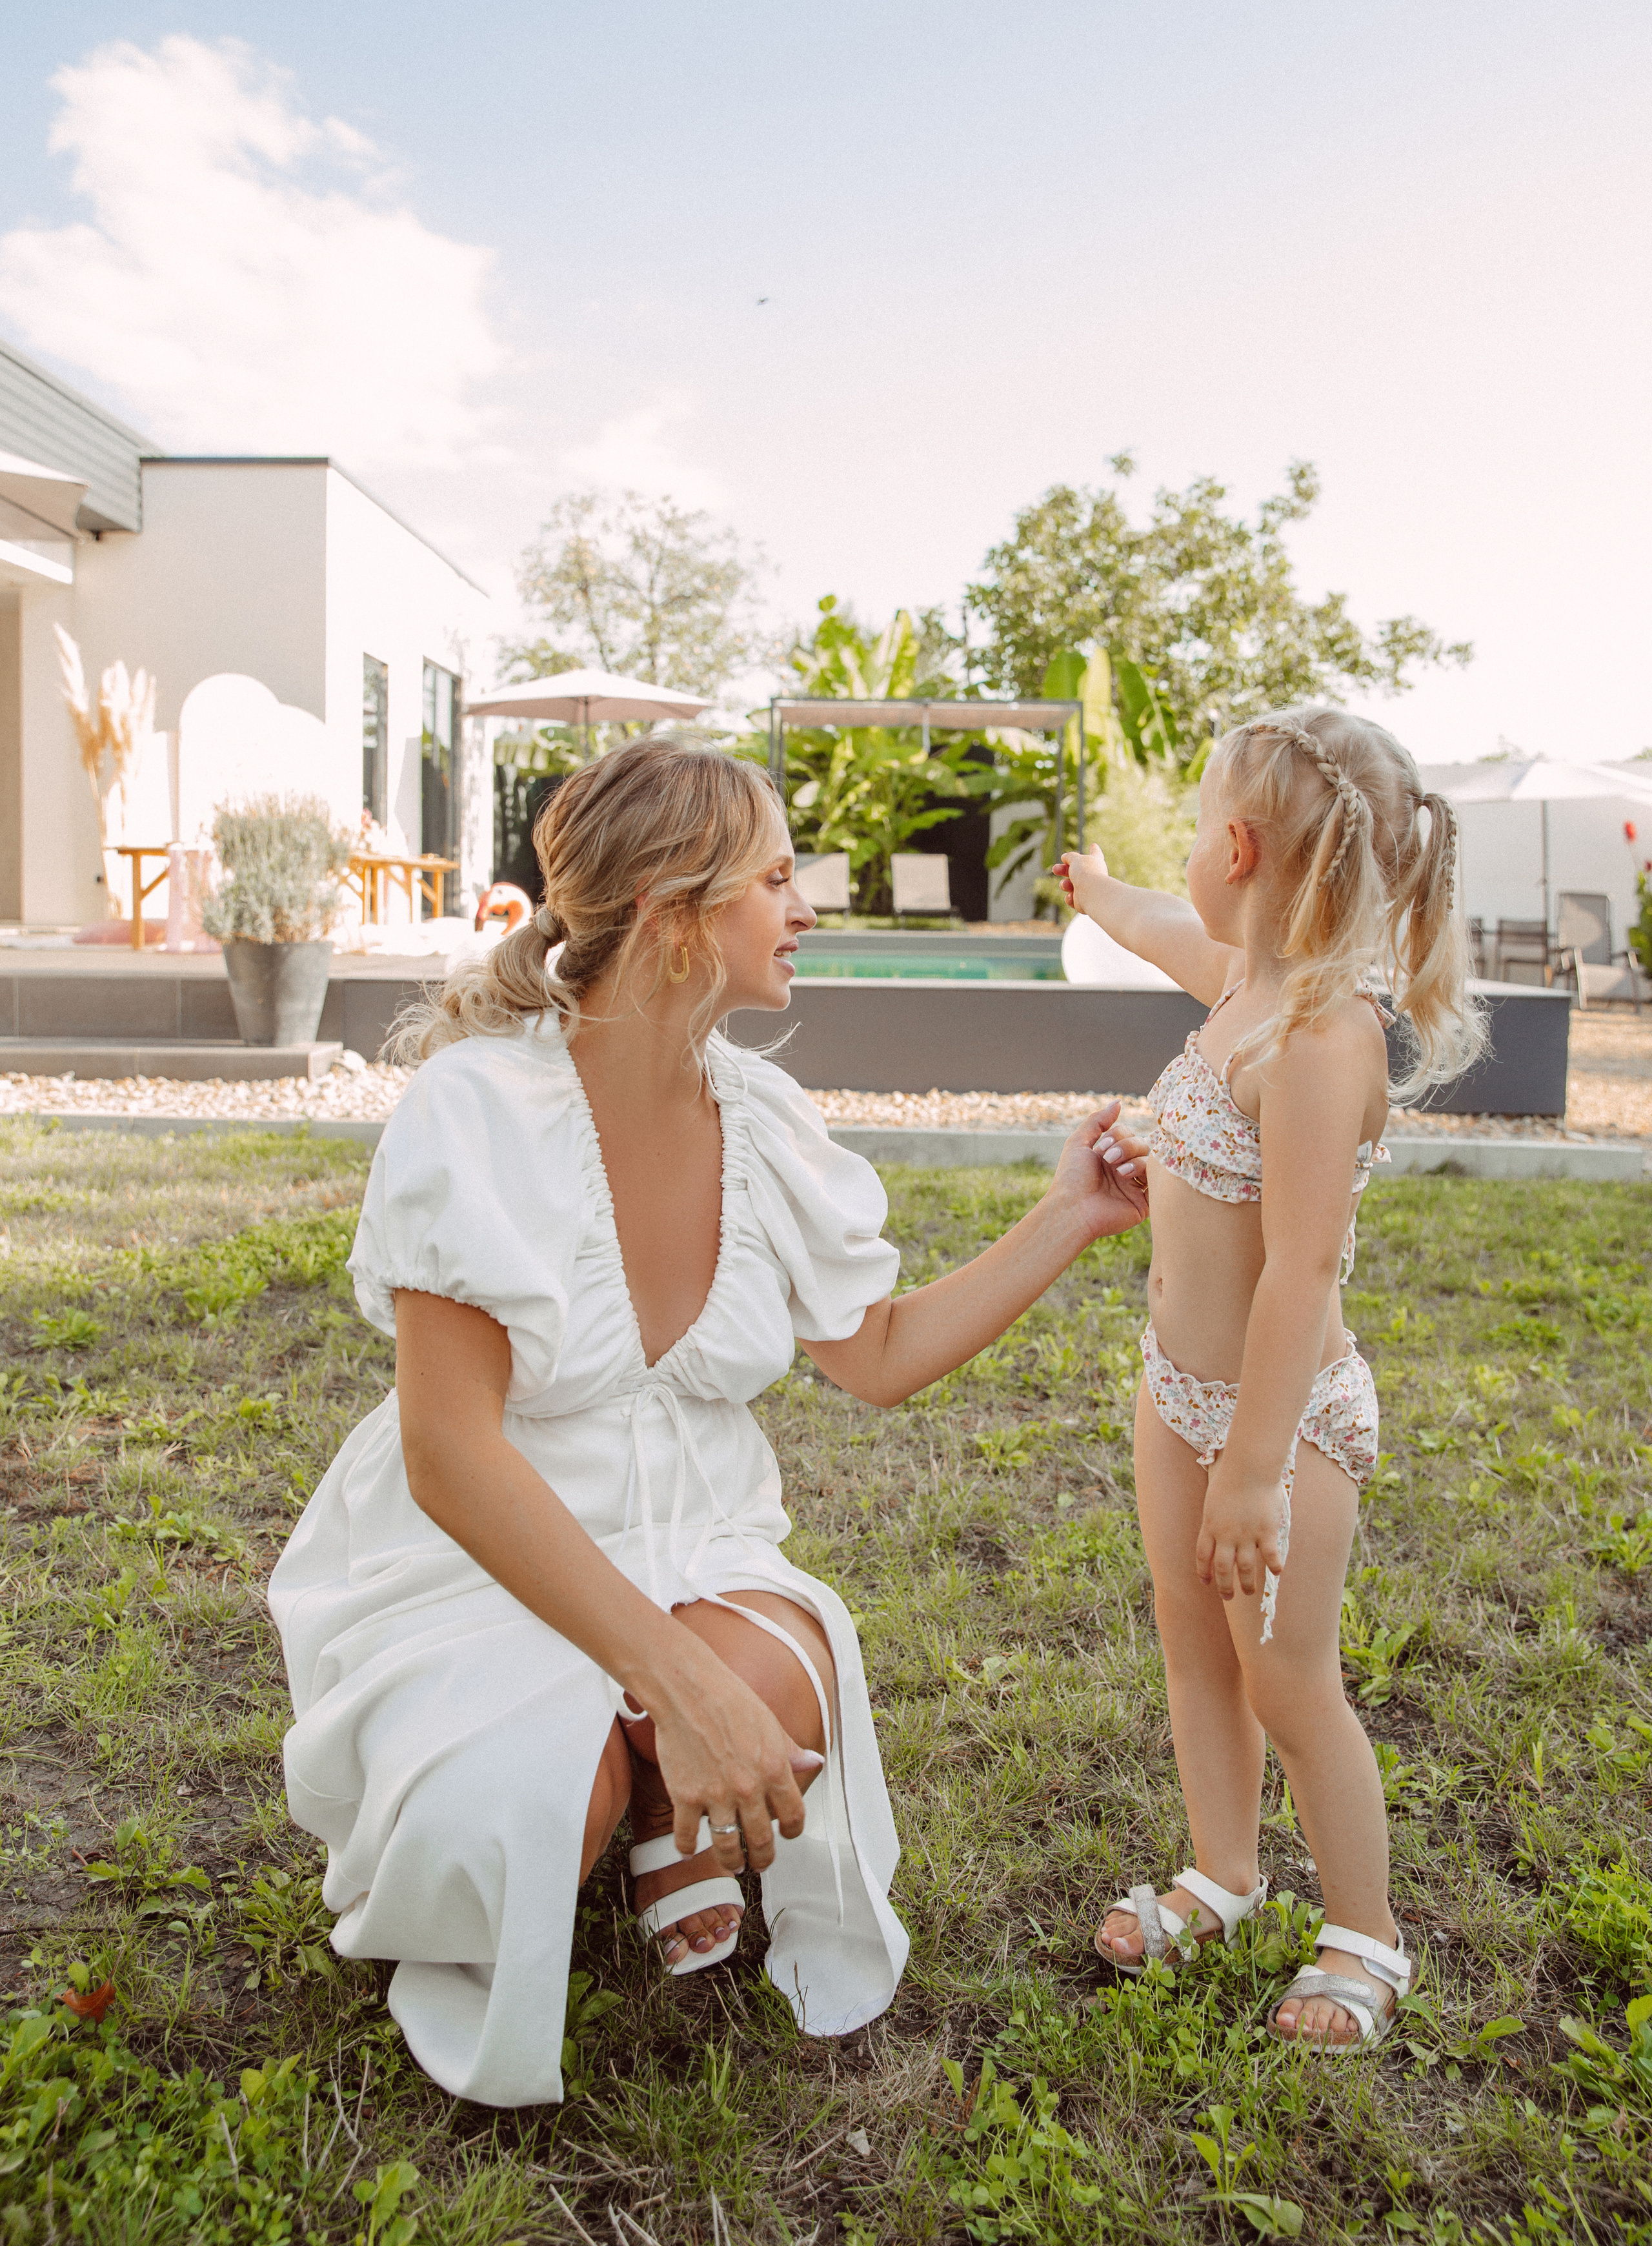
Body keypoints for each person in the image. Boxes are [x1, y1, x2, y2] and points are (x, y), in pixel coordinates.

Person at [270, 734, 1149, 2108]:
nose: (805, 911)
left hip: (697, 1552)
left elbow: (876, 1355)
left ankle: (649, 1781)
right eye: (776, 880)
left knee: (783, 1689)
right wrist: (677, 1685)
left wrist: (1070, 1214)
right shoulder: (476, 1108)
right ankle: (626, 1779)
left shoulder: (766, 1119)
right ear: (675, 913)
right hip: (477, 1571)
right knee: (515, 1823)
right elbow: (449, 1455)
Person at [1056, 707, 1483, 2053]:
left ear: (1236, 849)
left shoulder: (1318, 1036)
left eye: (1194, 827)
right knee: (1194, 1645)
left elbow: (1300, 1271)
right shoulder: (1241, 977)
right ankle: (1224, 1873)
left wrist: (1251, 1472)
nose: (1183, 855)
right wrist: (1096, 889)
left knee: (1288, 1678)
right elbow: (1149, 925)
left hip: (1280, 1422)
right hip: (1176, 1392)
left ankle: (1365, 1935)